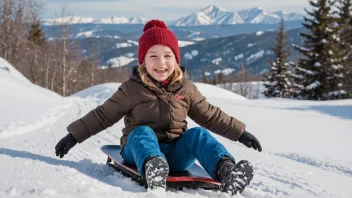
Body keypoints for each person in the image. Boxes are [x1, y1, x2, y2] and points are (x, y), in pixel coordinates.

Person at [55, 19, 262, 195]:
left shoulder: (186, 88)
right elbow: (103, 115)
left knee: (198, 134)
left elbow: (211, 116)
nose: (161, 62)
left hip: (175, 154)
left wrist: (240, 132)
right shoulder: (131, 89)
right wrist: (74, 135)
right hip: (137, 151)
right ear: (143, 61)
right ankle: (153, 167)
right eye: (153, 56)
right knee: (142, 132)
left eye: (167, 55)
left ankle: (227, 171)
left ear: (176, 59)